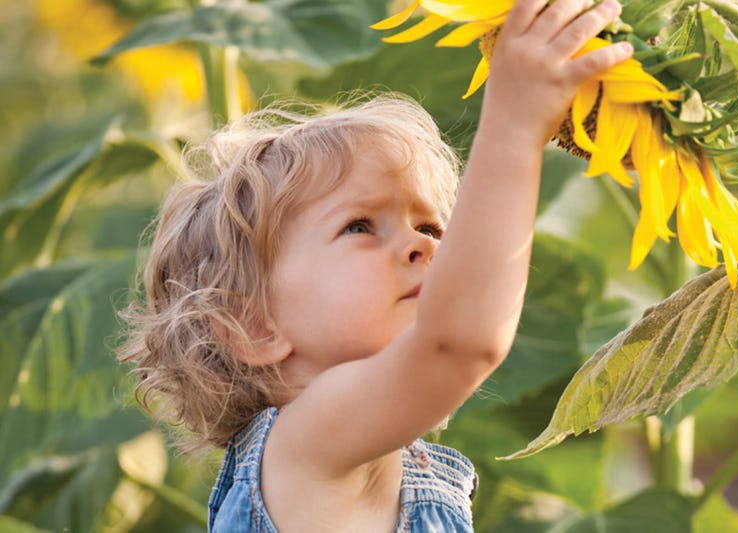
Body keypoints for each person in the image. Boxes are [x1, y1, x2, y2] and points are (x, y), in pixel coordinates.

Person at [117, 0, 631, 530]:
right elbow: (458, 343)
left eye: (431, 228)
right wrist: (514, 124)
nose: (424, 247)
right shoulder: (305, 440)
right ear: (253, 325)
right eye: (360, 226)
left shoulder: (387, 461)